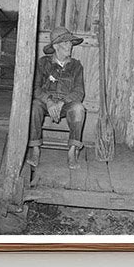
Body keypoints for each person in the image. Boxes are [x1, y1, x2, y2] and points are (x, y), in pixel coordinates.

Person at [27, 26, 86, 168]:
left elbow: (79, 92)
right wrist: (48, 101)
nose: (70, 45)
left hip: (65, 104)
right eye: (66, 43)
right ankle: (35, 149)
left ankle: (72, 151)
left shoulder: (76, 66)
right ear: (55, 46)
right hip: (45, 103)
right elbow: (35, 87)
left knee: (78, 108)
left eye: (70, 42)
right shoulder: (43, 63)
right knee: (34, 106)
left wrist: (62, 103)